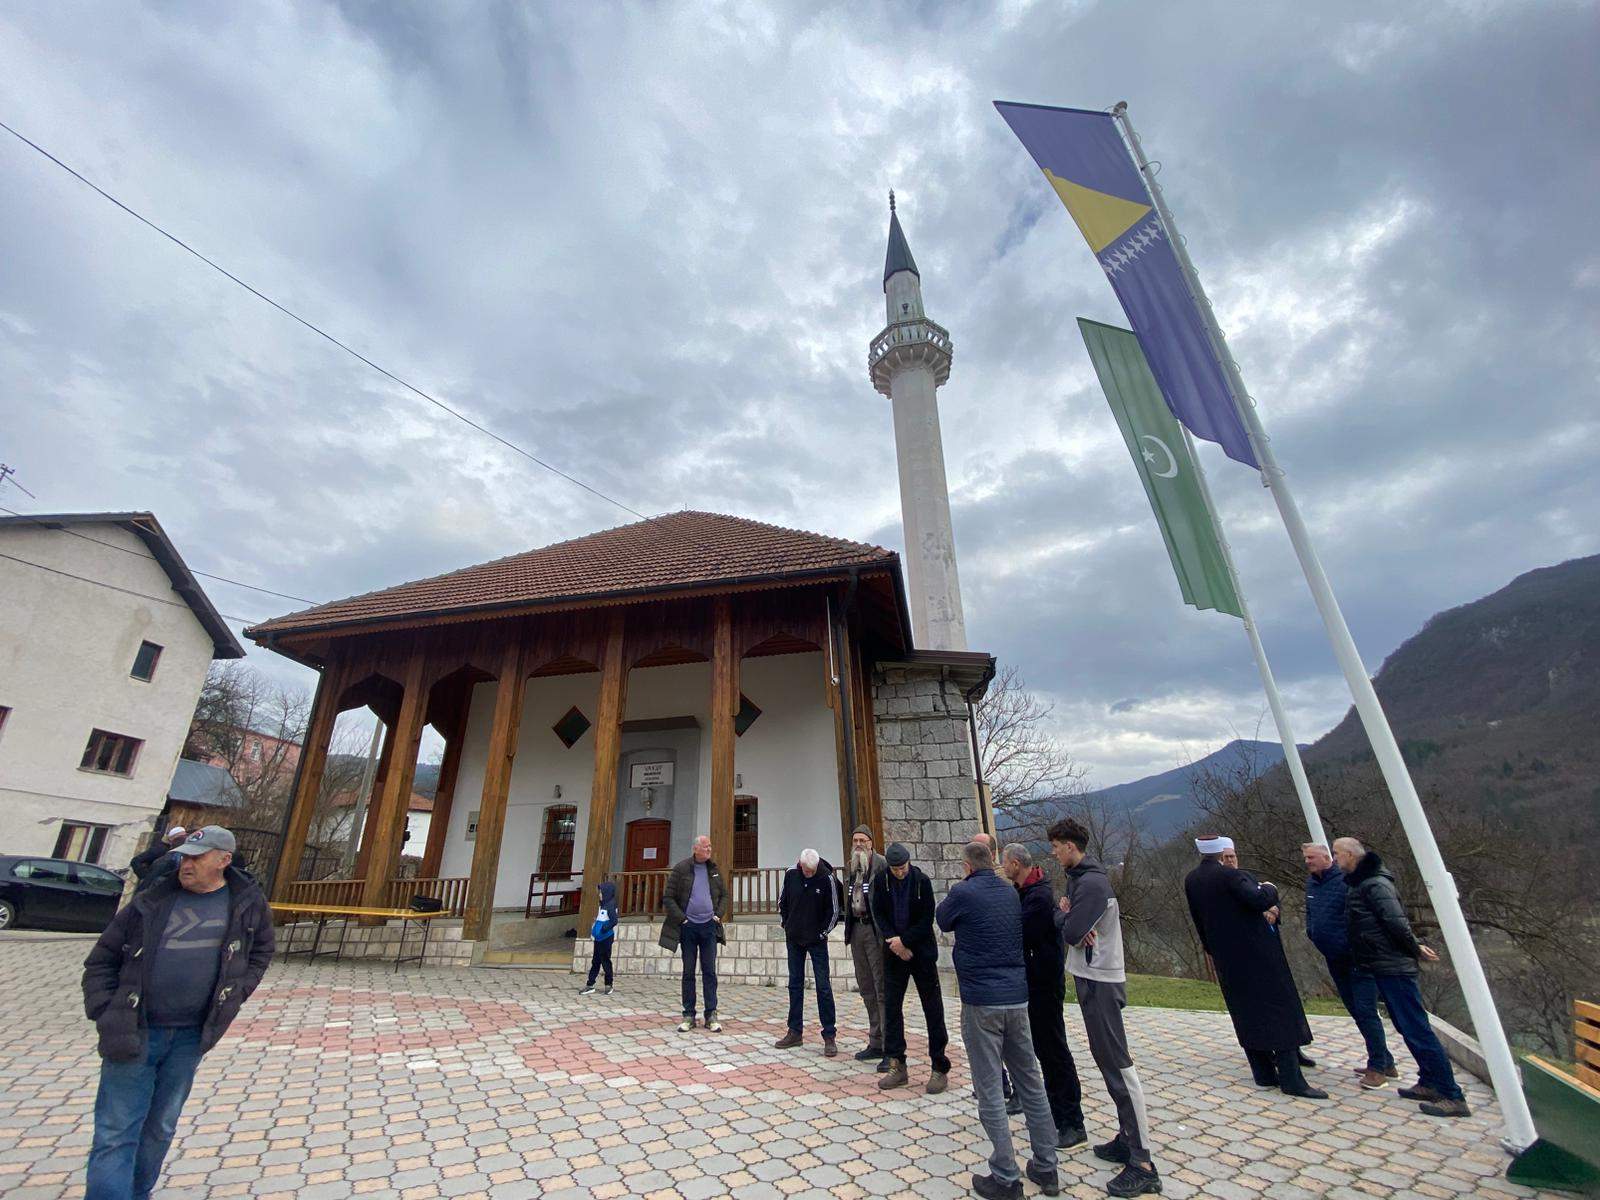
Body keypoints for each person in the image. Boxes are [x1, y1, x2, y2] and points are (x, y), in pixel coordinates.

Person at [82, 826, 273, 1200]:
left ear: (223, 860)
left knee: (160, 1128)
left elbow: (261, 951)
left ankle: (137, 1193)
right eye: (184, 856)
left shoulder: (245, 904)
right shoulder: (152, 900)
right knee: (116, 1130)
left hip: (190, 1037)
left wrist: (236, 994)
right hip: (133, 1029)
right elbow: (101, 961)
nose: (186, 864)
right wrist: (107, 1011)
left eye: (196, 857)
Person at [936, 840, 1060, 1200]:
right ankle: (1046, 1165)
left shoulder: (963, 891)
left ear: (967, 866)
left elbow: (943, 918)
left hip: (981, 1001)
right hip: (1016, 998)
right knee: (1031, 1083)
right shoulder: (1010, 893)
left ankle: (1006, 1176)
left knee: (989, 1087)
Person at [1050, 818, 1161, 1198]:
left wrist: (1067, 916)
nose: (1053, 851)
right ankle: (1126, 1138)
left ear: (1071, 846)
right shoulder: (1078, 880)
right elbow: (1069, 921)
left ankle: (1143, 1163)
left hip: (1101, 978)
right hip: (1087, 974)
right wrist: (1068, 916)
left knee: (1118, 1066)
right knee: (1104, 1059)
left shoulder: (1092, 884)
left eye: (1056, 845)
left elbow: (1068, 929)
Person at [1334, 837, 1470, 1118]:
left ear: (1349, 855)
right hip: (1379, 964)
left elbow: (1396, 922)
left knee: (1417, 1028)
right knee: (1406, 1027)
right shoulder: (1363, 883)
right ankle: (1429, 1081)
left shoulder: (1375, 885)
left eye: (1336, 854)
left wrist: (1414, 947)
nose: (1335, 858)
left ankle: (1451, 1093)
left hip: (1393, 966)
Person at [1184, 835, 1327, 1099]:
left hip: (1226, 956)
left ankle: (1263, 1072)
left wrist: (1211, 948)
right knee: (1277, 1009)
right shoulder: (1229, 877)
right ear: (1220, 854)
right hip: (1256, 953)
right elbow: (1259, 900)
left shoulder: (1192, 879)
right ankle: (1291, 1078)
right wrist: (1270, 888)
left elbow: (1198, 918)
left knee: (1245, 1012)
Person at [1001, 842, 1086, 1149]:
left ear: (1014, 865)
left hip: (1044, 984)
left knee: (1053, 1052)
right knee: (1045, 1051)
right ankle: (1057, 1115)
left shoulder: (1037, 897)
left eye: (1004, 863)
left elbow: (1019, 934)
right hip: (1034, 983)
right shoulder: (1028, 891)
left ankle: (1072, 1122)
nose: (1003, 868)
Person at [1303, 842, 1395, 1087]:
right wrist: (1312, 932)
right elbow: (1311, 913)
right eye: (1305, 858)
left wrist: (1353, 944)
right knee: (1356, 1010)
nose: (1307, 862)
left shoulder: (1346, 881)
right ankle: (1385, 1060)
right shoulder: (1312, 883)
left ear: (1326, 858)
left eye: (1312, 857)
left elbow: (1363, 916)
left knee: (1366, 1011)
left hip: (1358, 958)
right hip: (1334, 958)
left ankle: (1378, 1069)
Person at [868, 842, 949, 1094]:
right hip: (893, 953)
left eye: (902, 867)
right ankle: (897, 1064)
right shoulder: (881, 881)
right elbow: (878, 913)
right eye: (895, 869)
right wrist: (895, 941)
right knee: (892, 1008)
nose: (899, 872)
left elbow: (927, 918)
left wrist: (905, 941)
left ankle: (939, 1066)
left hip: (920, 952)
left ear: (908, 863)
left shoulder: (921, 882)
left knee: (932, 1008)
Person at [659, 834, 728, 1034]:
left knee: (710, 972)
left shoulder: (713, 870)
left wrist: (718, 915)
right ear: (695, 849)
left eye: (710, 847)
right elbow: (668, 898)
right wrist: (682, 919)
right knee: (688, 972)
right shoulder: (681, 869)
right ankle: (688, 1015)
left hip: (708, 927)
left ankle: (711, 1014)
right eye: (705, 847)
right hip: (688, 928)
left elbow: (724, 894)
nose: (709, 850)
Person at [776, 848, 842, 1055]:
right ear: (800, 865)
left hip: (817, 941)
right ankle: (794, 1031)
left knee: (823, 986)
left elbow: (834, 910)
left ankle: (829, 1035)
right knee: (795, 985)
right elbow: (782, 902)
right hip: (794, 938)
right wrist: (786, 924)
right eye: (806, 870)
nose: (809, 874)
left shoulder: (827, 878)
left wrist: (822, 933)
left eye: (812, 871)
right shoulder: (791, 874)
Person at [844, 824, 889, 1069]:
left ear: (871, 843)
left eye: (863, 840)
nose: (859, 844)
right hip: (857, 930)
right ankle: (875, 1039)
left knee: (881, 986)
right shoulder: (853, 866)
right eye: (855, 840)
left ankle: (889, 1045)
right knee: (866, 987)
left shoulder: (880, 864)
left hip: (874, 931)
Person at [580, 879, 620, 995]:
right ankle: (590, 984)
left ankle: (608, 984)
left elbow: (614, 921)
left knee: (605, 961)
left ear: (607, 893)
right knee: (595, 961)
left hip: (606, 938)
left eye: (602, 892)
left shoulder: (610, 906)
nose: (600, 894)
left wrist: (603, 929)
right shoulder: (603, 905)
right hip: (598, 938)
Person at [129, 826, 186, 894]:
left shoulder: (176, 852)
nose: (184, 839)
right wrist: (145, 876)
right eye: (181, 837)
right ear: (173, 839)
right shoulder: (160, 849)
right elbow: (135, 861)